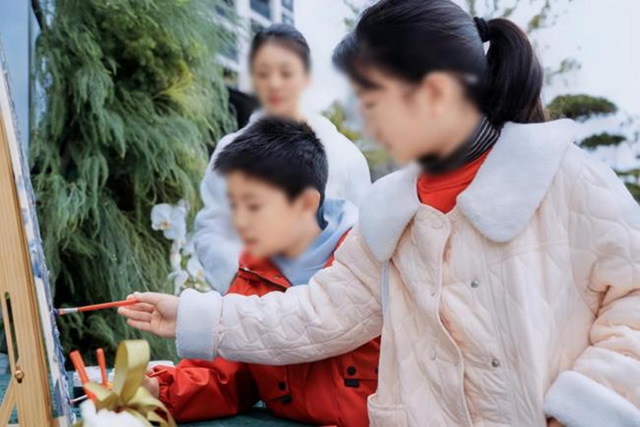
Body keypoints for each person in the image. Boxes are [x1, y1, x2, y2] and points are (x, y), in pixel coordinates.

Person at [120, 1, 640, 426]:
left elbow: (632, 303)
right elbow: (317, 315)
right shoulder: (391, 213)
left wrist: (580, 409)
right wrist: (195, 316)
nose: (364, 123)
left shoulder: (568, 180)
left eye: (371, 100)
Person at [142, 118, 379, 426]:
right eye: (233, 207)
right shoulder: (251, 276)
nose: (239, 222)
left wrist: (196, 316)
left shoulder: (376, 264)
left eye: (254, 206)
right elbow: (224, 376)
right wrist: (157, 390)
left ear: (307, 203)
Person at [195, 24, 371, 293]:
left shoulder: (344, 154)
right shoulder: (228, 150)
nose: (274, 83)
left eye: (286, 72)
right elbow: (212, 229)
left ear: (306, 76)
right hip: (246, 302)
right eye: (263, 73)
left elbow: (364, 236)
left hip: (326, 303)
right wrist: (248, 283)